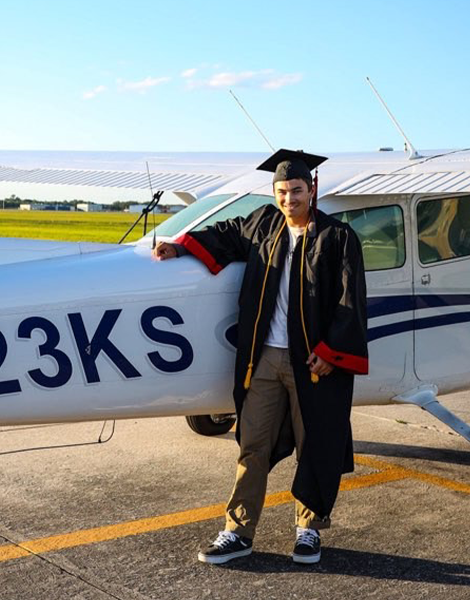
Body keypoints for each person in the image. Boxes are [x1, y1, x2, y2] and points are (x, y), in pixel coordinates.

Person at [153, 149, 368, 565]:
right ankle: (238, 532)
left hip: (314, 363)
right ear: (274, 195)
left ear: (312, 190)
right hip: (264, 358)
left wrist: (331, 352)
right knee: (252, 444)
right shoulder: (264, 226)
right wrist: (181, 248)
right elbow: (226, 233)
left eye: (297, 191)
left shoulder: (338, 238)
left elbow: (350, 301)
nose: (290, 199)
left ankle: (308, 529)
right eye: (283, 192)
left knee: (315, 444)